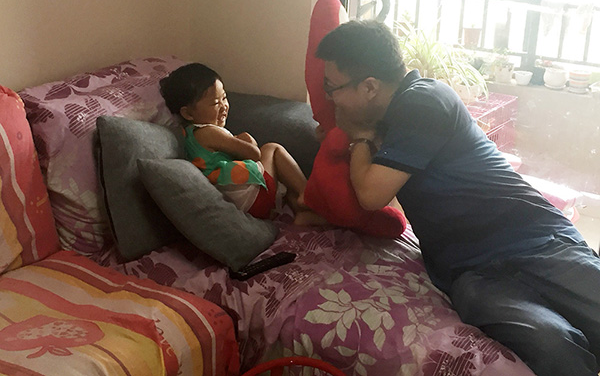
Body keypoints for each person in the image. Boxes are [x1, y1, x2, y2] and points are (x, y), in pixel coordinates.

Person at [315, 20, 600, 376]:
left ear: (370, 86)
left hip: (536, 239)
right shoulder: (387, 120)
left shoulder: (424, 101)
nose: (330, 99)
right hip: (472, 273)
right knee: (553, 344)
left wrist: (357, 135)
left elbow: (371, 195)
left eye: (332, 87)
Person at [160, 63, 311, 221]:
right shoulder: (209, 132)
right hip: (252, 198)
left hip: (241, 202)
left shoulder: (190, 136)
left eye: (224, 98)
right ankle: (308, 194)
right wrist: (247, 139)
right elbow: (254, 154)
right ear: (188, 113)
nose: (224, 106)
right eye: (215, 103)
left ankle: (303, 215)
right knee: (272, 149)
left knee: (285, 182)